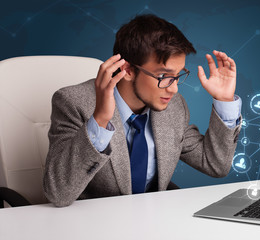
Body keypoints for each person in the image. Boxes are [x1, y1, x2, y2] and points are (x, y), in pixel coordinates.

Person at [43, 14, 242, 207]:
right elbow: (59, 194)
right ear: (127, 70)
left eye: (178, 75)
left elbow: (216, 165)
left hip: (155, 222)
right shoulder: (72, 102)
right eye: (164, 75)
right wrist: (101, 120)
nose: (174, 88)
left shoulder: (173, 106)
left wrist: (224, 101)